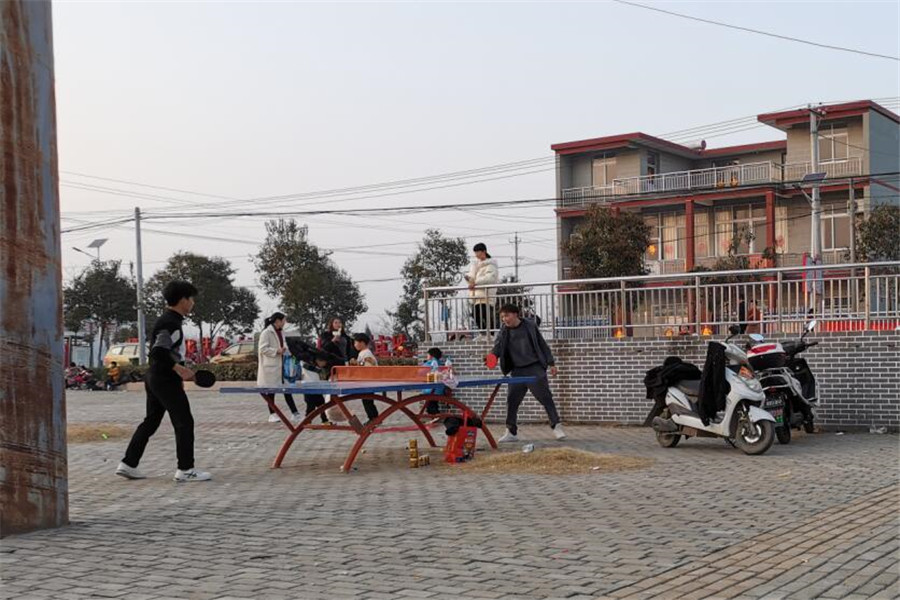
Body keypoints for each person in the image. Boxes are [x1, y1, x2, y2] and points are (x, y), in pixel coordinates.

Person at [117, 281, 211, 482]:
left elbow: (162, 353)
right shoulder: (171, 323)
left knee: (151, 421)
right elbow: (158, 352)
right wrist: (178, 368)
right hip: (164, 379)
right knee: (184, 422)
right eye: (191, 298)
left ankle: (128, 464)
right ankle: (185, 469)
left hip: (155, 377)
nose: (193, 303)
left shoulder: (168, 320)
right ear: (183, 300)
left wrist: (179, 370)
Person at [488, 303, 566, 442]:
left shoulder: (529, 326)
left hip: (534, 368)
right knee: (512, 401)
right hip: (517, 370)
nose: (504, 319)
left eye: (507, 316)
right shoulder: (504, 330)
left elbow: (542, 344)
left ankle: (556, 426)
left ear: (515, 314)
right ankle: (511, 432)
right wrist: (491, 357)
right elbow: (497, 347)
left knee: (545, 397)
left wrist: (551, 363)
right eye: (502, 317)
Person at [258, 312, 301, 423]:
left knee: (287, 389)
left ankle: (295, 413)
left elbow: (284, 345)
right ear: (277, 321)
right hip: (271, 367)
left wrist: (286, 350)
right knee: (271, 391)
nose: (284, 323)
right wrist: (276, 351)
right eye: (283, 321)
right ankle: (272, 414)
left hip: (281, 366)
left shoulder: (281, 332)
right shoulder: (266, 333)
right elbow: (263, 349)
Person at [465, 243, 499, 340]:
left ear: (484, 251)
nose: (476, 255)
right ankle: (483, 333)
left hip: (486, 294)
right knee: (476, 314)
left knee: (486, 314)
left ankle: (491, 334)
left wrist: (475, 282)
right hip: (476, 295)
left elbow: (490, 278)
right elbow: (471, 276)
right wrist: (469, 279)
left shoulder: (491, 265)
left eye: (478, 252)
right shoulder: (475, 265)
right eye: (475, 252)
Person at [352, 333, 379, 422]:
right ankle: (374, 418)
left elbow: (368, 365)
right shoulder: (363, 353)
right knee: (367, 400)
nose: (354, 345)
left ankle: (373, 418)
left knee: (367, 400)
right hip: (366, 381)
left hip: (368, 381)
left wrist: (357, 363)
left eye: (355, 342)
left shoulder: (366, 353)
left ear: (362, 343)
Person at [422, 347, 444, 418]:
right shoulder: (440, 363)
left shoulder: (429, 364)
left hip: (430, 389)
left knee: (430, 406)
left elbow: (420, 372)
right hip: (439, 389)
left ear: (431, 356)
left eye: (427, 355)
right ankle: (435, 417)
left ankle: (436, 416)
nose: (427, 356)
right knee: (434, 404)